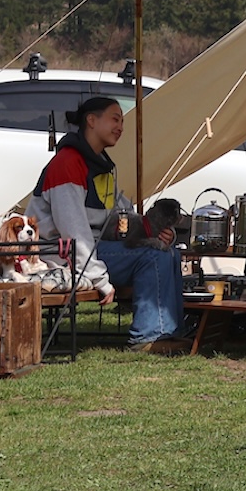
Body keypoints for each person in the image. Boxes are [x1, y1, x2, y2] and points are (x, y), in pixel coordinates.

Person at [31, 95, 187, 352]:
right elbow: (75, 234)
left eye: (122, 121)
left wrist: (153, 230)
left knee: (166, 252)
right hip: (60, 256)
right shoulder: (67, 164)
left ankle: (170, 331)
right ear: (91, 121)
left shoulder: (100, 166)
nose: (121, 127)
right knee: (152, 257)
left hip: (92, 248)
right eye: (115, 119)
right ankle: (149, 336)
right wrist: (100, 279)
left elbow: (121, 214)